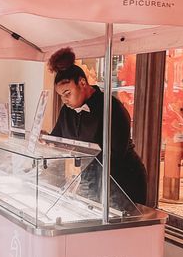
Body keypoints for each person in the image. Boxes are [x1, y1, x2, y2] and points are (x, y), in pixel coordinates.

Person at [48, 47, 147, 205]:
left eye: (67, 93)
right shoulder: (67, 111)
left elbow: (115, 154)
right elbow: (57, 139)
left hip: (122, 179)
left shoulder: (111, 107)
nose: (64, 100)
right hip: (91, 177)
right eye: (61, 96)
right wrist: (46, 141)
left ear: (82, 83)